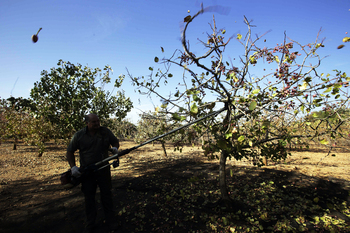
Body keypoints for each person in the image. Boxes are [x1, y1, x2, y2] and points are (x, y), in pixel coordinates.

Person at [66, 113, 120, 233]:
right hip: (87, 172)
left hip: (103, 169)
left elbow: (115, 142)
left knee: (106, 195)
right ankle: (90, 223)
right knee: (89, 198)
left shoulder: (105, 132)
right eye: (94, 122)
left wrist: (115, 148)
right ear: (87, 123)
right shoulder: (79, 135)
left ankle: (111, 221)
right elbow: (70, 151)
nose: (97, 124)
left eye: (98, 121)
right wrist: (73, 167)